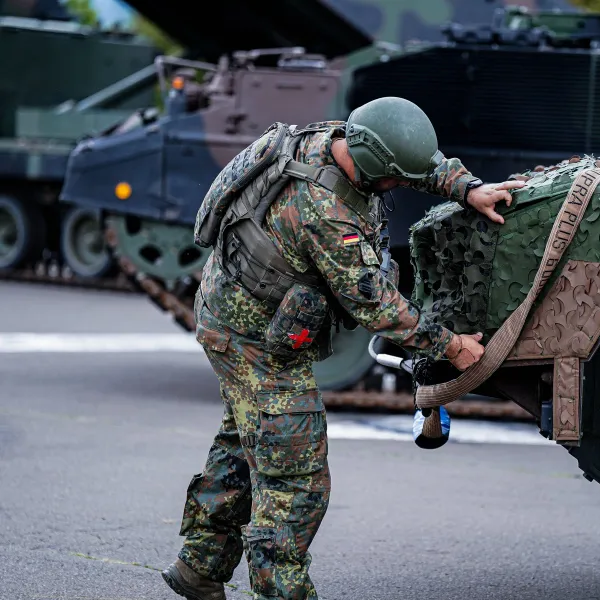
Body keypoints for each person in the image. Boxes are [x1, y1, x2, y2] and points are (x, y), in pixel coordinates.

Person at [161, 96, 525, 600]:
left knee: (248, 441)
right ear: (373, 165)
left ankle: (199, 567)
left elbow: (412, 160)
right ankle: (280, 589)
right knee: (297, 475)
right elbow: (378, 309)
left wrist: (469, 189)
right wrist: (451, 345)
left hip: (240, 314)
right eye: (393, 180)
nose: (398, 186)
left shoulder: (344, 136)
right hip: (249, 337)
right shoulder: (325, 212)